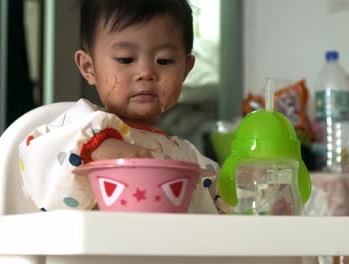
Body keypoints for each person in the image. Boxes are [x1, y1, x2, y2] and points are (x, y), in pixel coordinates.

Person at [18, 0, 219, 213]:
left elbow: (219, 218)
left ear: (186, 70)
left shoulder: (188, 157)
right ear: (89, 67)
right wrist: (98, 147)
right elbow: (38, 158)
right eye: (125, 59)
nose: (146, 72)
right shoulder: (81, 128)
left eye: (164, 60)